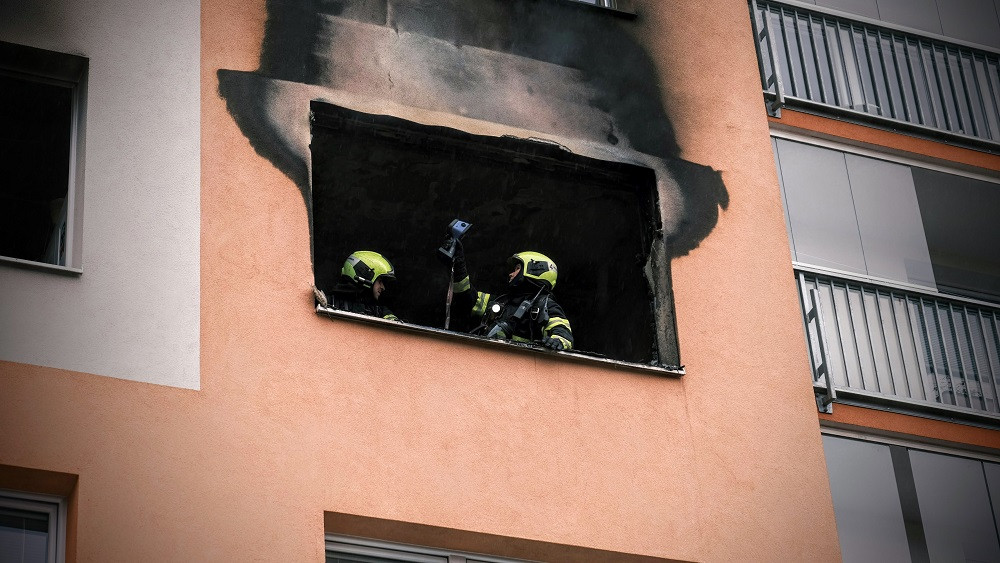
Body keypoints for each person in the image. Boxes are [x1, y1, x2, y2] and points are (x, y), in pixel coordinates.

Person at [450, 243, 573, 350]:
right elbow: (465, 298)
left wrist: (557, 341)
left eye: (517, 269)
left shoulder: (544, 305)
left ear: (534, 269)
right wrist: (458, 262)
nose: (511, 274)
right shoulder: (502, 301)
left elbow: (563, 332)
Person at [313, 251, 399, 321]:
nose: (383, 287)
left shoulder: (380, 311)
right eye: (380, 281)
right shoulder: (328, 302)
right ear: (365, 275)